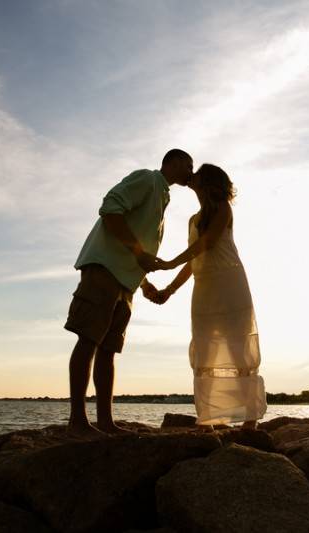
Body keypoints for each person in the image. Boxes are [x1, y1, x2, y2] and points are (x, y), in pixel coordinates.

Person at [64, 149, 193, 435]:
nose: (190, 170)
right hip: (104, 269)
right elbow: (110, 208)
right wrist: (138, 253)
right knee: (88, 339)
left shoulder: (162, 195)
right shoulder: (147, 179)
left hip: (125, 282)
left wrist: (144, 283)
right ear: (171, 162)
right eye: (187, 164)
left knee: (108, 350)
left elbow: (141, 247)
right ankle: (77, 422)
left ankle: (106, 422)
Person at [150, 163, 266, 430]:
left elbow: (207, 244)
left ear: (208, 182)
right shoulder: (193, 219)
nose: (192, 176)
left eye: (198, 173)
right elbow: (194, 260)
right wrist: (168, 290)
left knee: (239, 352)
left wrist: (167, 263)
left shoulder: (223, 209)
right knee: (205, 351)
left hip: (229, 282)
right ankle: (209, 418)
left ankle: (250, 420)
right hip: (204, 288)